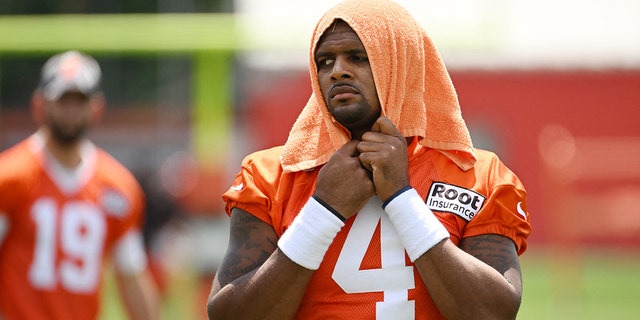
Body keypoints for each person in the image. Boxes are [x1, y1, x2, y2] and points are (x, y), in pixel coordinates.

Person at [207, 0, 532, 319]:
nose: (337, 72)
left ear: (399, 63)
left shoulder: (479, 175)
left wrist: (402, 199)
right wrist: (322, 211)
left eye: (358, 57)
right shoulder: (269, 176)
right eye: (324, 61)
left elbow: (493, 312)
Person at [0, 50, 160, 319]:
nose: (71, 111)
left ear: (96, 107)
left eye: (80, 101)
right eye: (63, 100)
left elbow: (132, 276)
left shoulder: (118, 186)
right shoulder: (11, 176)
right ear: (39, 105)